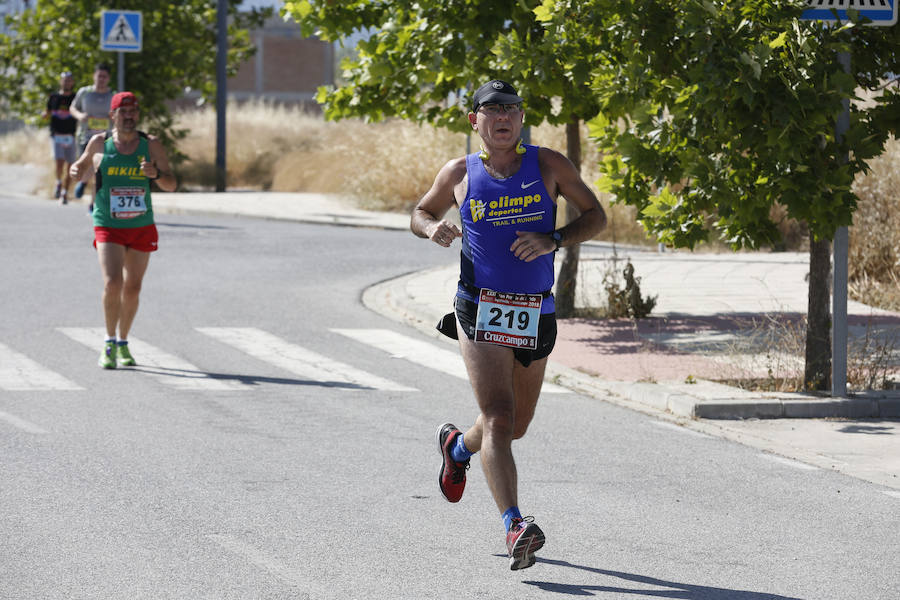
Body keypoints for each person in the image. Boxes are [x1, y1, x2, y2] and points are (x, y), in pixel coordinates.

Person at [410, 80, 606, 570]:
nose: (503, 118)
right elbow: (420, 211)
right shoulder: (459, 172)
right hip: (479, 304)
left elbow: (597, 216)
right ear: (473, 120)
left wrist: (553, 239)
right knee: (497, 415)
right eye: (492, 110)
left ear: (521, 120)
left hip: (535, 308)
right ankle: (515, 524)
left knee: (515, 426)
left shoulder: (549, 165)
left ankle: (457, 446)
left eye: (512, 110)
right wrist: (433, 227)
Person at [69, 92, 175, 369]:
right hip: (108, 224)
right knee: (112, 283)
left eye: (133, 112)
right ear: (112, 116)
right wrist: (76, 169)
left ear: (137, 115)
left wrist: (156, 175)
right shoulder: (99, 143)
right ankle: (108, 341)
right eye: (123, 112)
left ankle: (123, 342)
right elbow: (81, 168)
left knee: (133, 288)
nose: (129, 117)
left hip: (141, 225)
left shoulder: (151, 145)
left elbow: (171, 184)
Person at [70, 62, 115, 211]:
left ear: (108, 78)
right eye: (99, 76)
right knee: (87, 166)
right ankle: (83, 182)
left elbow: (118, 114)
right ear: (94, 76)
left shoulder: (113, 95)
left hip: (105, 138)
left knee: (99, 172)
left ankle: (93, 204)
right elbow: (73, 108)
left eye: (104, 77)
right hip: (85, 136)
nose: (101, 79)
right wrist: (80, 115)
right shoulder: (85, 92)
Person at [44, 71, 78, 204]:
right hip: (56, 135)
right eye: (65, 80)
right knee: (59, 162)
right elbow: (47, 112)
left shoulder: (76, 98)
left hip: (70, 136)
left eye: (69, 80)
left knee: (70, 166)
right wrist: (45, 115)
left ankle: (64, 193)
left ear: (73, 82)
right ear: (61, 81)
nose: (67, 82)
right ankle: (58, 182)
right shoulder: (53, 97)